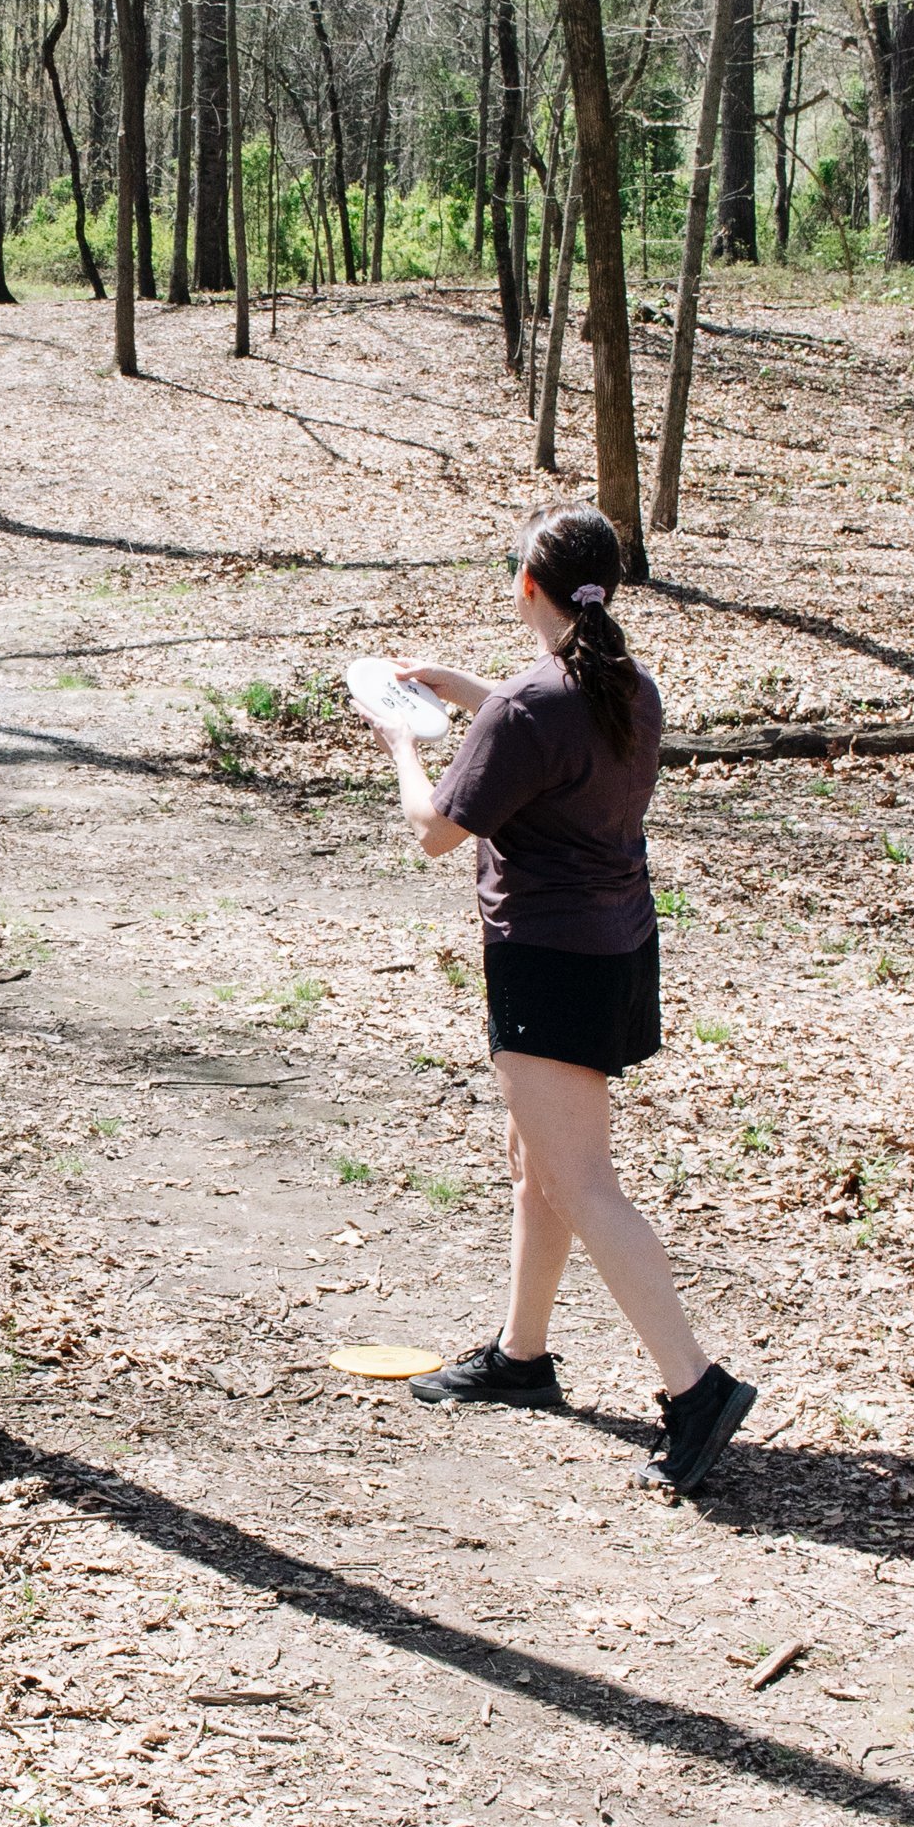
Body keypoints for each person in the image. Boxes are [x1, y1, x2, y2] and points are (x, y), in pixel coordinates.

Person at [371, 501, 756, 1497]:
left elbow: (433, 831)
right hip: (616, 951)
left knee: (580, 1182)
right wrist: (458, 690)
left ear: (525, 589)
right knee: (536, 1164)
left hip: (546, 960)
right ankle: (521, 1356)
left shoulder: (530, 708)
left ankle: (695, 1388)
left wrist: (400, 738)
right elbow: (537, 718)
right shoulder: (630, 686)